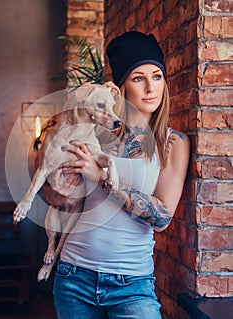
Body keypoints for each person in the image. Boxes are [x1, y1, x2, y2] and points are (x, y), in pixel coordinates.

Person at [50, 31, 190, 319]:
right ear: (121, 87)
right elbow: (57, 197)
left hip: (132, 285)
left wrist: (100, 178)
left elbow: (161, 217)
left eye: (157, 76)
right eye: (138, 78)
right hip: (73, 276)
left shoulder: (173, 143)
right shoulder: (94, 136)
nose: (151, 87)